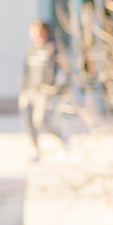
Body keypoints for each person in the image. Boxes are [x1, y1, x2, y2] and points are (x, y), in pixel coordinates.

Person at [19, 20, 69, 159]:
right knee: (28, 121)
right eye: (32, 31)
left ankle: (63, 138)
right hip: (30, 91)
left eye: (37, 30)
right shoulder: (31, 50)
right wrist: (24, 90)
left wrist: (53, 88)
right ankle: (35, 149)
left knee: (41, 121)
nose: (34, 34)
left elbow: (59, 71)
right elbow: (25, 72)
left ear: (44, 31)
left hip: (44, 92)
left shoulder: (52, 49)